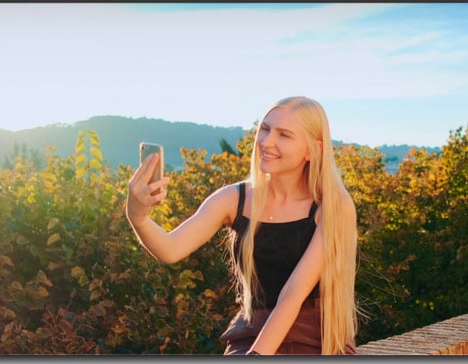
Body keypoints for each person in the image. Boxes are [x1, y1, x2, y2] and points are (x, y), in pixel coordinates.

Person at [126, 96, 358, 355]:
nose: (266, 142)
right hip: (251, 334)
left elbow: (293, 294)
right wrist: (137, 216)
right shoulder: (234, 199)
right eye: (266, 129)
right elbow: (171, 249)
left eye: (284, 135)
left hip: (315, 340)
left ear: (312, 150)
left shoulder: (332, 205)